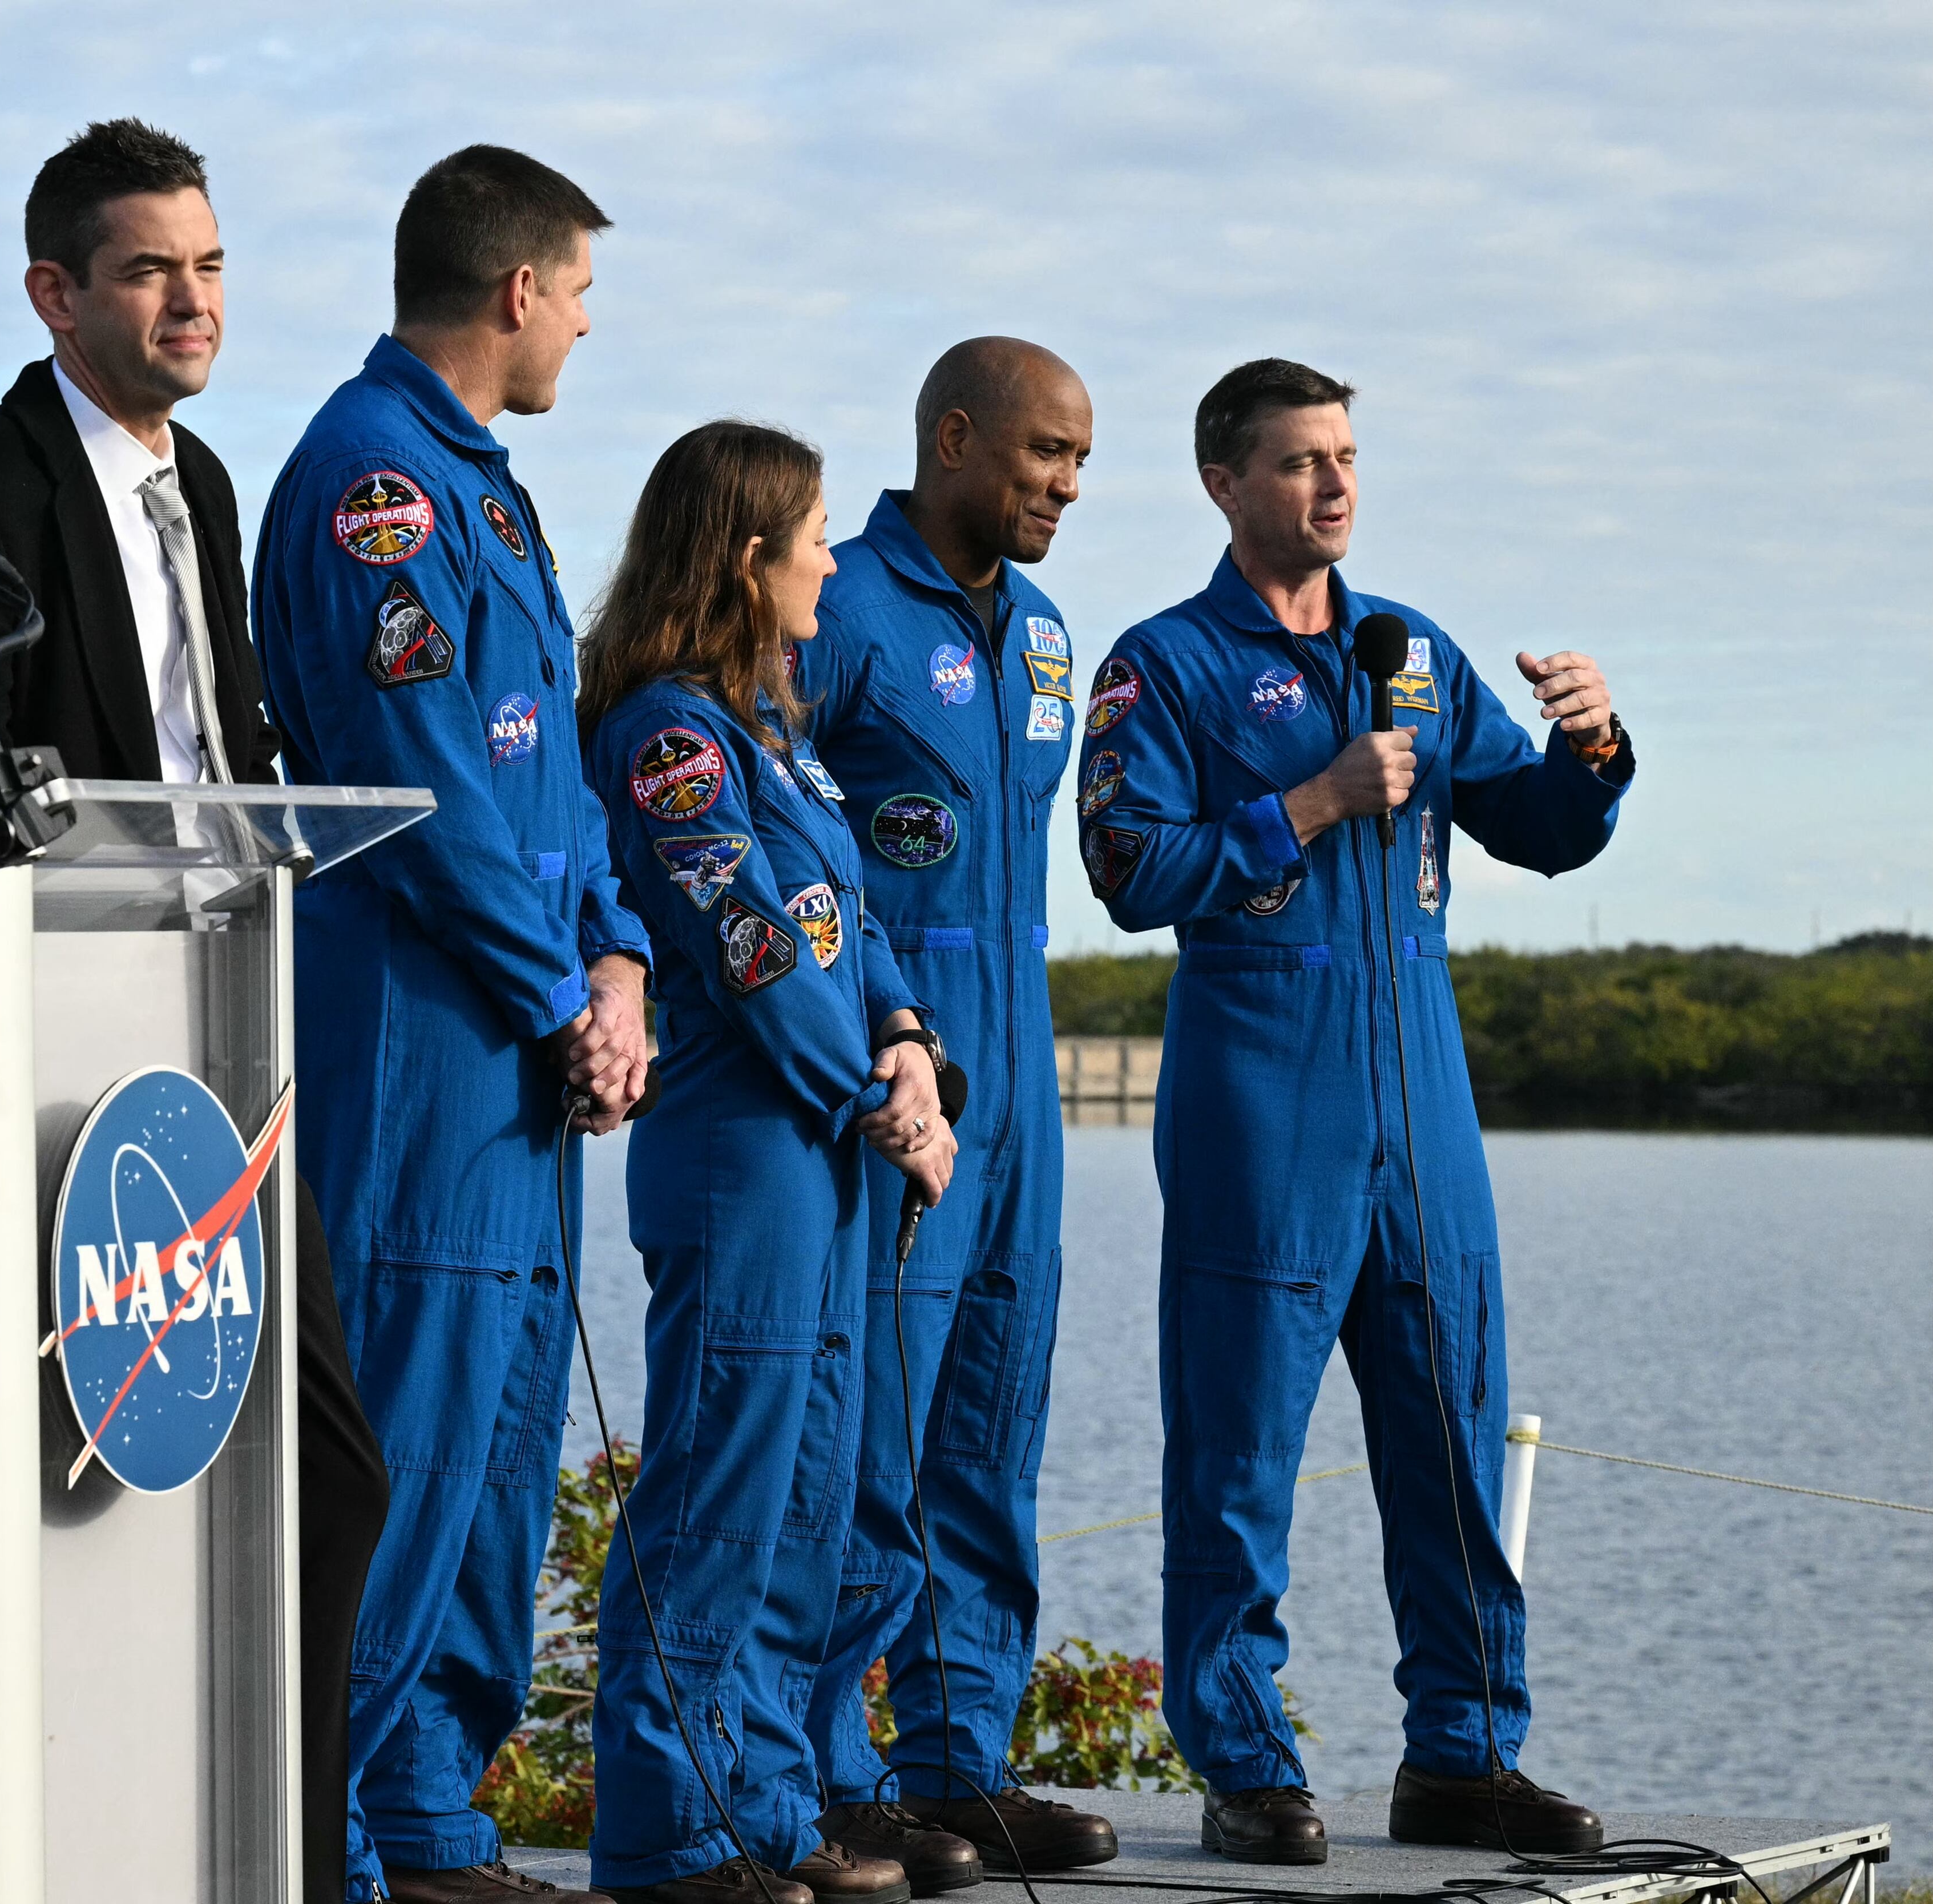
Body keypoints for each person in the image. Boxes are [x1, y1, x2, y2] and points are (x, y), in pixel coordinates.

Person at [0, 118, 392, 1904]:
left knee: (322, 1468)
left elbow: (216, 752)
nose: (193, 301)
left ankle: (265, 1860)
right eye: (152, 269)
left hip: (215, 1048)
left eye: (212, 266)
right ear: (54, 292)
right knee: (54, 1505)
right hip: (46, 1089)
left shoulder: (203, 485)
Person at [1081, 358, 1632, 1863]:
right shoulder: (1165, 665)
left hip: (1426, 1122)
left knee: (1452, 1447)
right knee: (1240, 1460)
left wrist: (1593, 747)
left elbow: (1540, 833)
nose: (1335, 486)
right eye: (1300, 462)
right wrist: (1312, 801)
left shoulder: (1416, 654)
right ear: (1224, 482)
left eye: (1346, 458)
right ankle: (1247, 1764)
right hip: (1265, 1112)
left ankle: (1461, 1753)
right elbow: (1126, 871)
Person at [251, 144, 653, 1904]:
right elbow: (419, 795)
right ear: (514, 292)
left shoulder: (485, 486)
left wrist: (624, 957)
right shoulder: (375, 486)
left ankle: (423, 1809)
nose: (579, 328)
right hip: (426, 1039)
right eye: (577, 294)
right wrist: (565, 993)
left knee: (495, 1452)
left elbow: (552, 778)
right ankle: (315, 1836)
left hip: (526, 1045)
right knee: (401, 1451)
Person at [580, 422, 950, 1904]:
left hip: (830, 1153)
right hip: (746, 1154)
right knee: (718, 1496)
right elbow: (749, 952)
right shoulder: (673, 735)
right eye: (811, 536)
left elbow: (845, 937)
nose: (833, 562)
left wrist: (909, 1046)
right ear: (747, 558)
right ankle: (669, 1834)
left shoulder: (776, 738)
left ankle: (768, 1810)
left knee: (812, 1496)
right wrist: (873, 1086)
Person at [796, 339, 1121, 1883]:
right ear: (953, 437)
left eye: (1079, 461)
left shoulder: (1050, 637)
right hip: (897, 1087)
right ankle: (828, 1769)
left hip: (1025, 1092)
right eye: (1042, 453)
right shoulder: (840, 608)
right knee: (874, 1432)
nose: (1063, 484)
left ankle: (957, 1761)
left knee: (990, 1431)